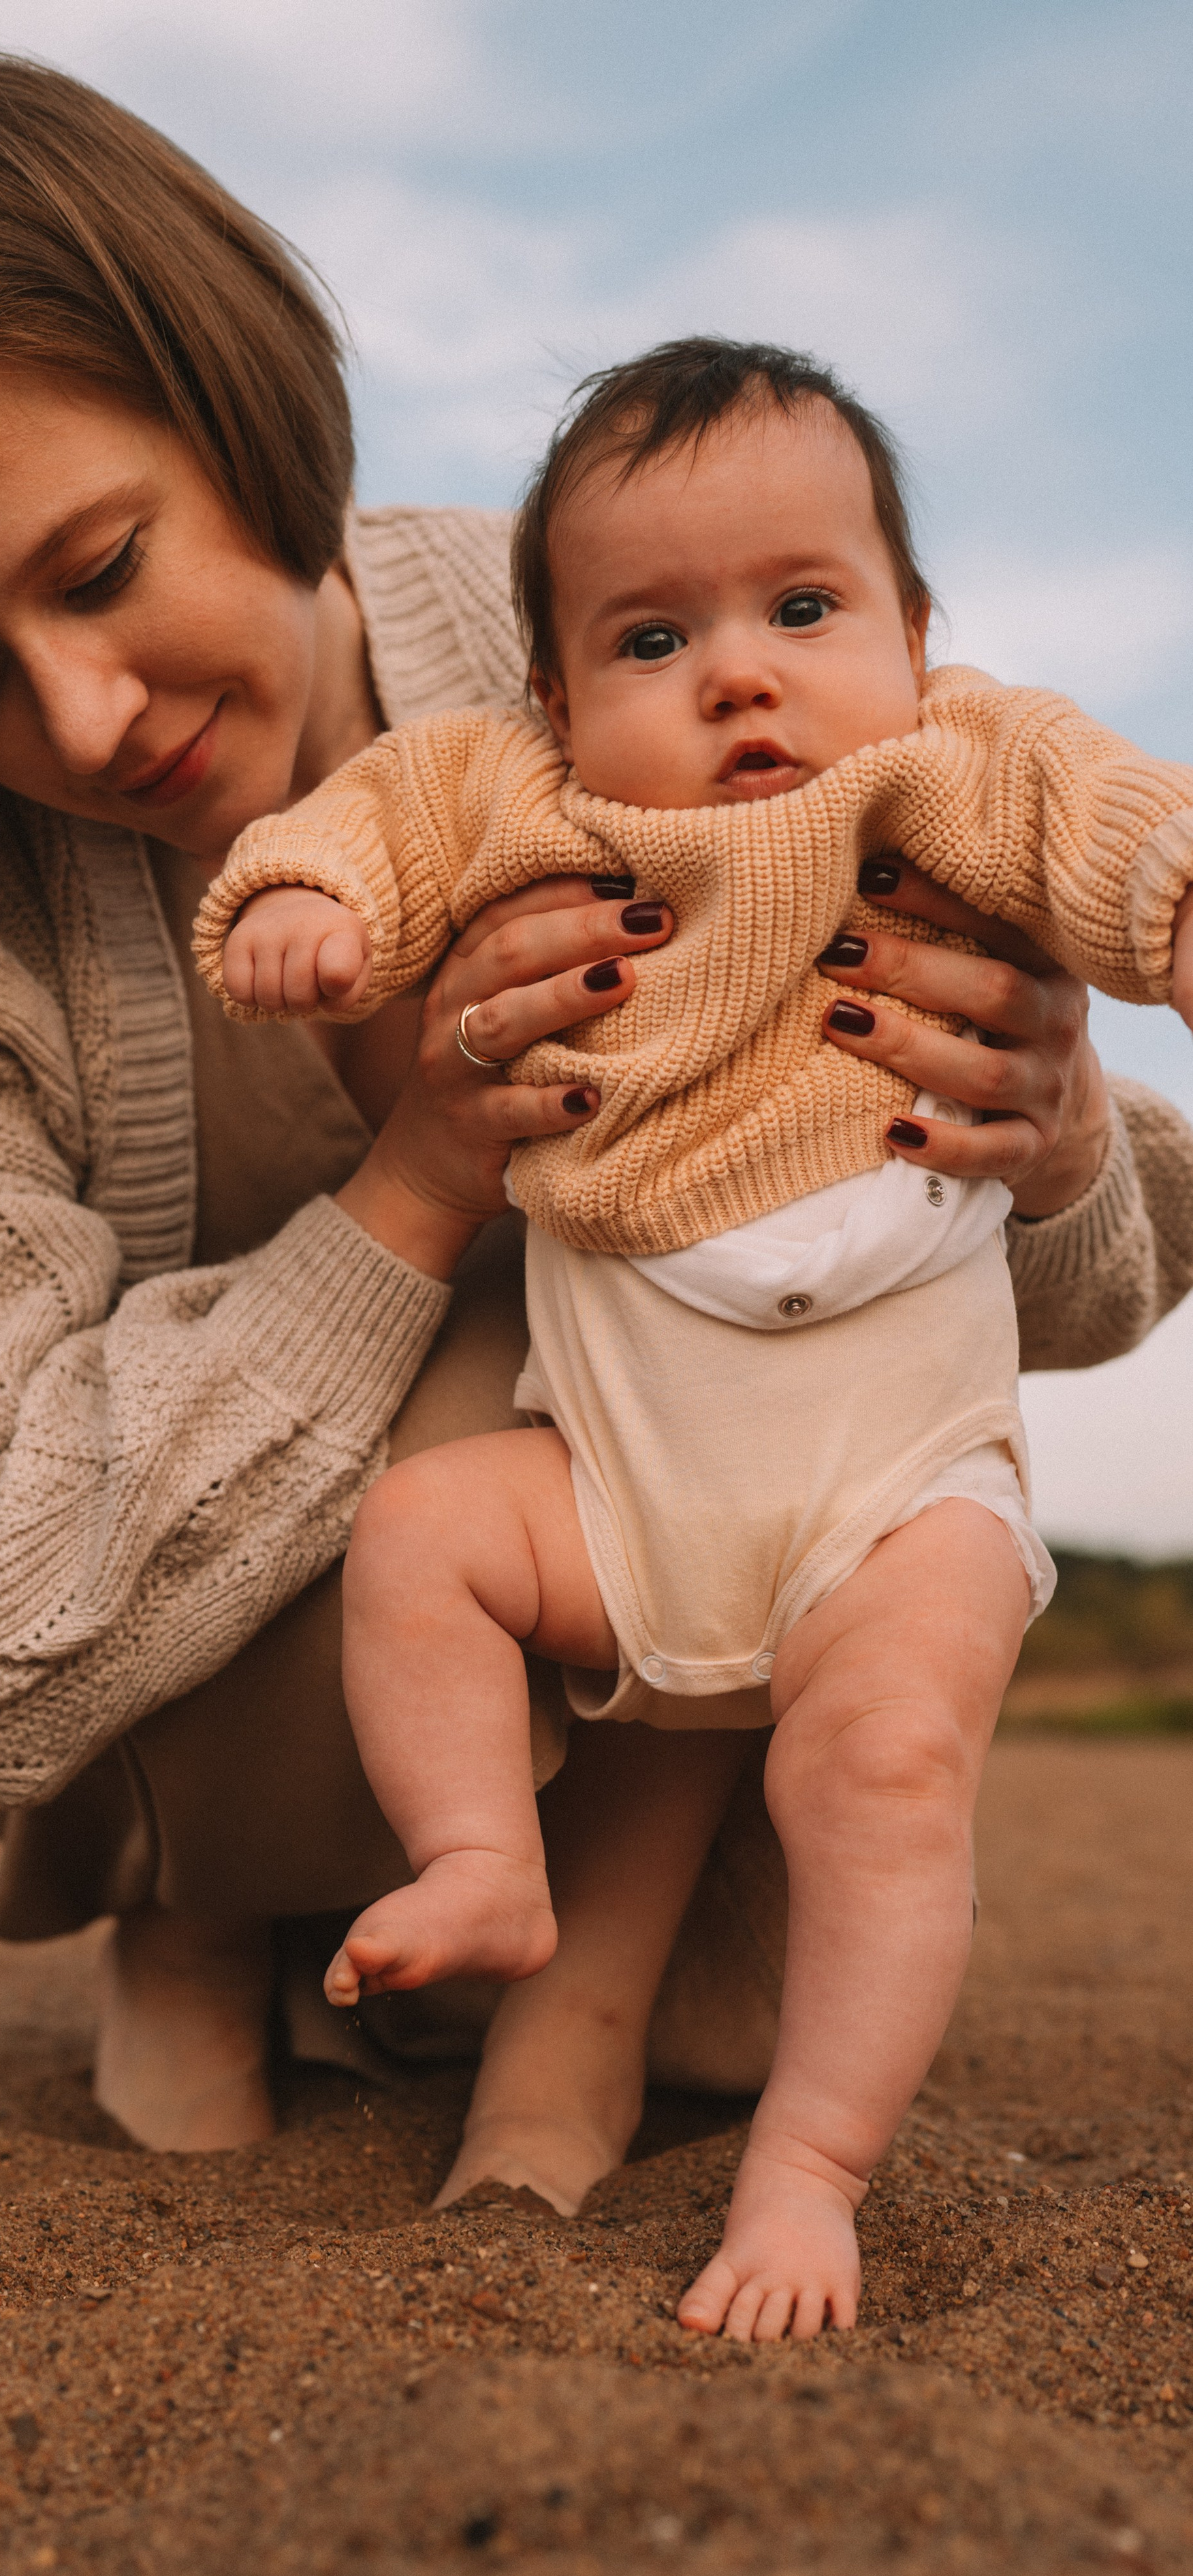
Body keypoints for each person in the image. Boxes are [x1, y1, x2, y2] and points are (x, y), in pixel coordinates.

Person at [0, 55, 1193, 2180]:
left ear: (235, 402)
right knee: (466, 1401)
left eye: (98, 569)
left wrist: (1051, 1126)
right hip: (157, 1640)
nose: (78, 718)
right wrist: (421, 1178)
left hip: (659, 1525)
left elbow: (1089, 1288)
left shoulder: (632, 636)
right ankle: (195, 1896)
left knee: (741, 1987)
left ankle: (470, 1922)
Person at [200, 338, 1193, 2338]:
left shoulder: (946, 771)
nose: (739, 675)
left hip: (891, 1500)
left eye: (805, 610)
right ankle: (483, 1858)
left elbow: (1107, 824)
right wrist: (305, 904)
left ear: (918, 638)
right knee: (423, 1538)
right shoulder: (531, 800)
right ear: (559, 695)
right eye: (657, 636)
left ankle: (809, 2171)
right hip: (629, 1501)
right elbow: (373, 821)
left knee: (891, 1770)